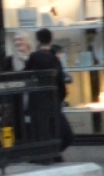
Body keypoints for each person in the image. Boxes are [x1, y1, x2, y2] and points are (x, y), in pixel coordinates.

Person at [25, 28, 72, 159]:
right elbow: (61, 81)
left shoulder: (35, 57)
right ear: (51, 39)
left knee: (45, 133)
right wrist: (59, 98)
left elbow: (26, 75)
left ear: (38, 40)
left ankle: (49, 155)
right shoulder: (54, 58)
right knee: (64, 134)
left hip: (39, 103)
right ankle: (53, 154)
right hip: (53, 102)